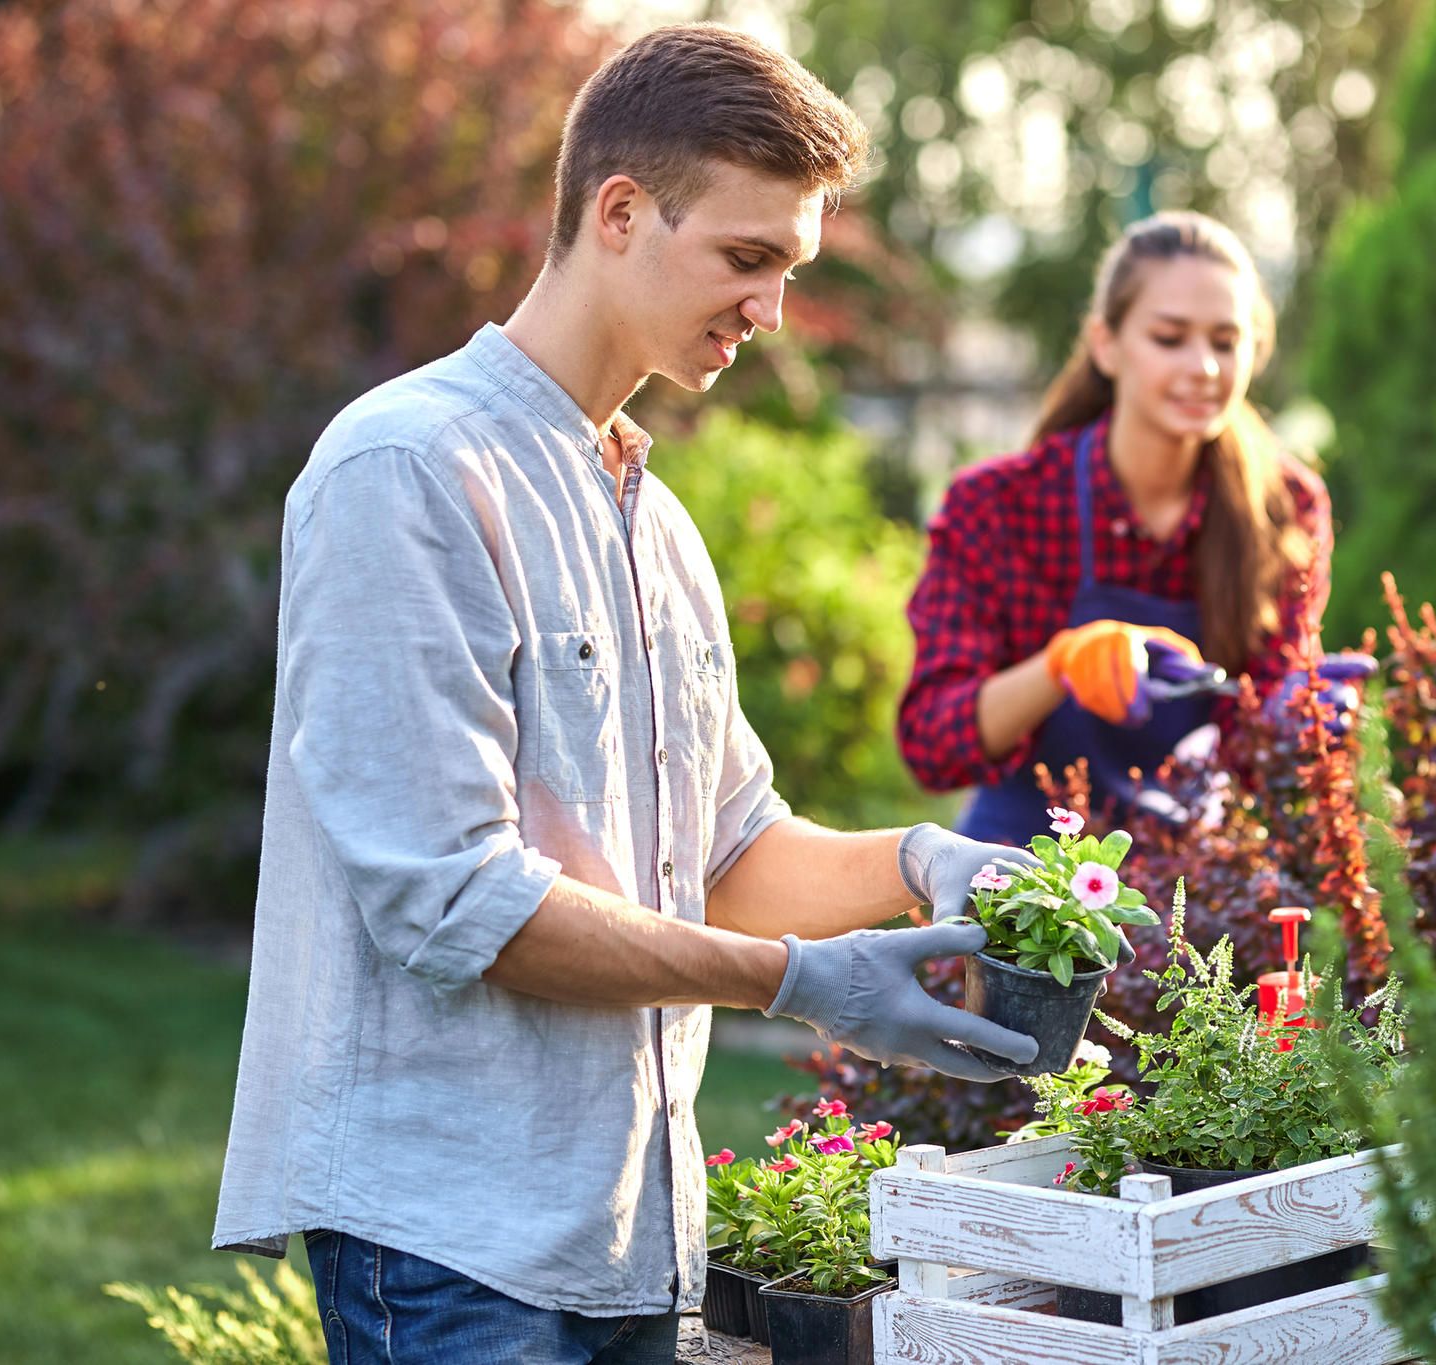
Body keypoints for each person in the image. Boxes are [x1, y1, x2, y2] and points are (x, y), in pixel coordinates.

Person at [210, 26, 1038, 1364]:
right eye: (746, 256)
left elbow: (727, 851)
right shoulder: (408, 470)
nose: (770, 310)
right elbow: (456, 897)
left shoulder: (655, 525)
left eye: (791, 268)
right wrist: (801, 984)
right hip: (448, 1246)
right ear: (618, 213)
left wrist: (923, 860)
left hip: (626, 1239)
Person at [898, 212, 1335, 845]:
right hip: (1026, 877)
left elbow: (1258, 747)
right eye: (1169, 337)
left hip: (1200, 874)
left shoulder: (1285, 507)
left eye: (1224, 341)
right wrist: (1059, 665)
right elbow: (932, 744)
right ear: (1107, 344)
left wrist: (1302, 720)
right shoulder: (999, 506)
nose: (1204, 368)